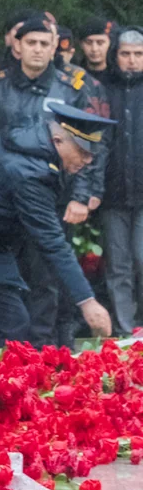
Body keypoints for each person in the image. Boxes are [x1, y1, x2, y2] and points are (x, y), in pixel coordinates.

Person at [0, 104, 114, 347]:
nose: (87, 160)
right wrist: (87, 301)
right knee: (11, 324)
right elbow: (52, 242)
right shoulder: (30, 173)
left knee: (11, 321)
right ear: (58, 140)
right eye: (82, 151)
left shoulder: (32, 143)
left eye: (91, 154)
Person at [0, 11, 105, 342]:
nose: (37, 49)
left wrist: (81, 195)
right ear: (18, 46)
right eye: (31, 42)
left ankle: (42, 348)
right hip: (4, 198)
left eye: (44, 44)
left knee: (47, 276)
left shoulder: (71, 90)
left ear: (54, 49)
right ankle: (10, 348)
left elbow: (90, 145)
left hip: (54, 196)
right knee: (8, 272)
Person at [98, 27, 143, 334]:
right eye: (125, 54)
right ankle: (126, 329)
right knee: (118, 264)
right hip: (112, 193)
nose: (132, 60)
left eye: (138, 54)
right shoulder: (102, 88)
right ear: (115, 55)